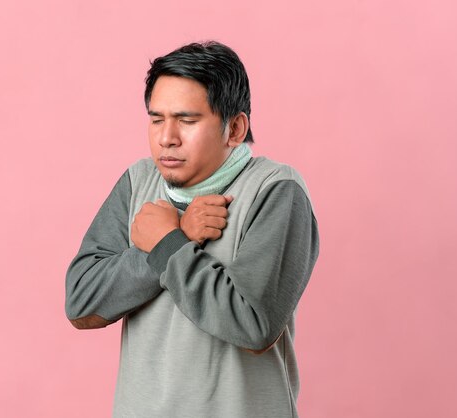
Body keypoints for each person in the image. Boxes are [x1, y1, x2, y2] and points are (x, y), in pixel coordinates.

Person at [65, 41, 319, 418]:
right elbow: (82, 303)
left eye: (186, 120)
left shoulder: (276, 190)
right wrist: (174, 238)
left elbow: (253, 325)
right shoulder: (138, 181)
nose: (167, 137)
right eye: (156, 119)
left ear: (234, 128)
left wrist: (168, 243)